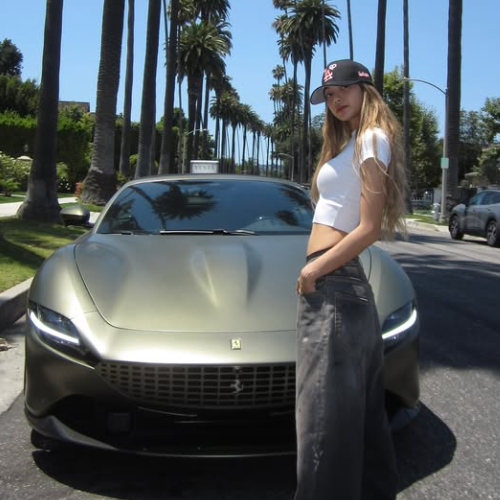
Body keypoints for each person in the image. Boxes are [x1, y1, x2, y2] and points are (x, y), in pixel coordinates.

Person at [294, 59, 408, 500]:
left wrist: (313, 270)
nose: (335, 98)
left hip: (333, 282)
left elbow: (369, 228)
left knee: (321, 423)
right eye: (328, 94)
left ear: (366, 90)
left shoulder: (371, 138)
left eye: (343, 88)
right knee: (359, 419)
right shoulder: (353, 143)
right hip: (342, 284)